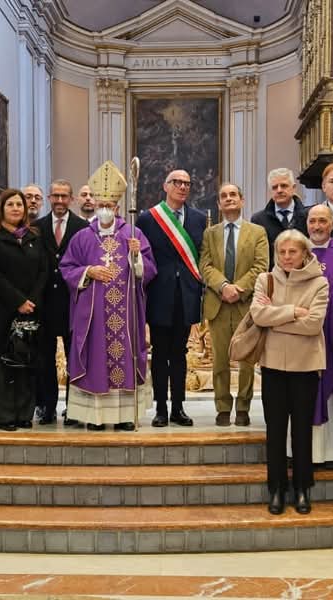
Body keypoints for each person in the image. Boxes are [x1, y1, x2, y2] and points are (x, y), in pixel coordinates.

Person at [60, 161, 156, 431]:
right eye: (100, 204)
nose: (105, 210)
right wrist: (89, 271)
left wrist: (136, 256)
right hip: (93, 316)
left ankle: (125, 416)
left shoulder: (133, 234)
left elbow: (148, 272)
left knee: (124, 358)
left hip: (125, 315)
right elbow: (66, 267)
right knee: (95, 360)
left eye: (109, 205)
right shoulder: (81, 237)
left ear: (117, 207)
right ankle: (95, 417)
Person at [252, 230, 328, 514]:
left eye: (292, 252)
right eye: (282, 252)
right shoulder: (265, 280)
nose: (286, 257)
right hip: (273, 366)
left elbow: (314, 325)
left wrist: (277, 316)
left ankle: (302, 488)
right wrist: (295, 312)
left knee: (301, 432)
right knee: (275, 431)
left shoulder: (319, 283)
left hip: (306, 367)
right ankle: (276, 489)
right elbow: (258, 316)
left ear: (305, 254)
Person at [136, 168, 207, 427]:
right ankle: (161, 409)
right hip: (159, 295)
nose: (182, 187)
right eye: (177, 182)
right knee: (161, 352)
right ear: (165, 186)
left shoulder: (199, 218)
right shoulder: (147, 218)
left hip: (187, 295)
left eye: (187, 183)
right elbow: (142, 257)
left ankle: (178, 407)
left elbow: (201, 255)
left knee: (179, 353)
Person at [0, 189, 50, 431]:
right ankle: (3, 415)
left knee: (26, 364)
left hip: (30, 311)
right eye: (11, 204)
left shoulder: (34, 236)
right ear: (1, 209)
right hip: (0, 311)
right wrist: (18, 300)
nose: (16, 208)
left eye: (19, 204)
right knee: (1, 366)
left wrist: (32, 300)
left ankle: (23, 413)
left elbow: (44, 270)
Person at [201, 182, 269, 426]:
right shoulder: (211, 233)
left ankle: (243, 407)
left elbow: (261, 266)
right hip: (218, 303)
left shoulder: (257, 232)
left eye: (233, 195)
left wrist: (237, 288)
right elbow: (205, 265)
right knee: (219, 360)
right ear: (219, 204)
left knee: (246, 361)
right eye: (223, 196)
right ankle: (222, 407)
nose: (229, 199)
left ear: (242, 200)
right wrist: (223, 286)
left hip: (246, 304)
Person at [294, 204, 333, 466]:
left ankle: (332, 453)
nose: (317, 226)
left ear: (332, 224)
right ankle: (299, 452)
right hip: (301, 334)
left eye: (322, 221)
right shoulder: (294, 253)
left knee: (331, 391)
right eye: (312, 221)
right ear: (306, 224)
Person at [33, 179, 89, 424]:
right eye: (55, 196)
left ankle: (74, 408)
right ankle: (47, 406)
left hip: (72, 301)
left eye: (64, 196)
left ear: (72, 199)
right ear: (49, 198)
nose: (59, 201)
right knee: (44, 358)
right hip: (43, 302)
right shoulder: (37, 227)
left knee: (74, 357)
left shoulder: (83, 227)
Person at [250, 167, 308, 268]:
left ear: (293, 188)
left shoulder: (308, 216)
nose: (279, 190)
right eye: (275, 187)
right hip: (273, 277)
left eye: (284, 186)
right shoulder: (258, 220)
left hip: (303, 276)